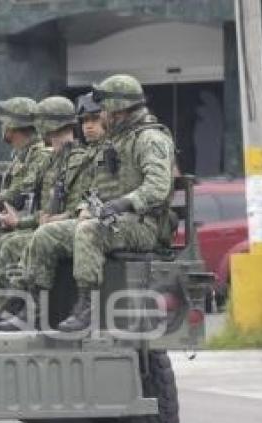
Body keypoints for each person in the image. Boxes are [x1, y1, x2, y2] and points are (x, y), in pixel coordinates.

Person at [25, 74, 176, 332]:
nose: (101, 115)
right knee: (46, 235)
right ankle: (37, 308)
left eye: (105, 108)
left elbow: (157, 189)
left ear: (119, 110)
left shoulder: (150, 139)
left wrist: (123, 204)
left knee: (90, 231)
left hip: (143, 226)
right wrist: (86, 208)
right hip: (113, 221)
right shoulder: (114, 141)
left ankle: (86, 306)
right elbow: (95, 186)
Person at [0, 96, 96, 331]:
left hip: (70, 229)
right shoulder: (54, 160)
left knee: (18, 244)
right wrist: (19, 222)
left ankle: (26, 310)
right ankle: (4, 308)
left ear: (49, 124)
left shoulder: (79, 161)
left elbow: (80, 208)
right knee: (12, 241)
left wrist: (55, 219)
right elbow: (43, 210)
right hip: (52, 227)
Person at [0, 97, 51, 285]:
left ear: (12, 126)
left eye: (3, 123)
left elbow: (26, 188)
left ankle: (3, 297)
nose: (2, 128)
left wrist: (0, 197)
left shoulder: (41, 154)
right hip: (17, 221)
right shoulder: (21, 155)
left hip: (33, 224)